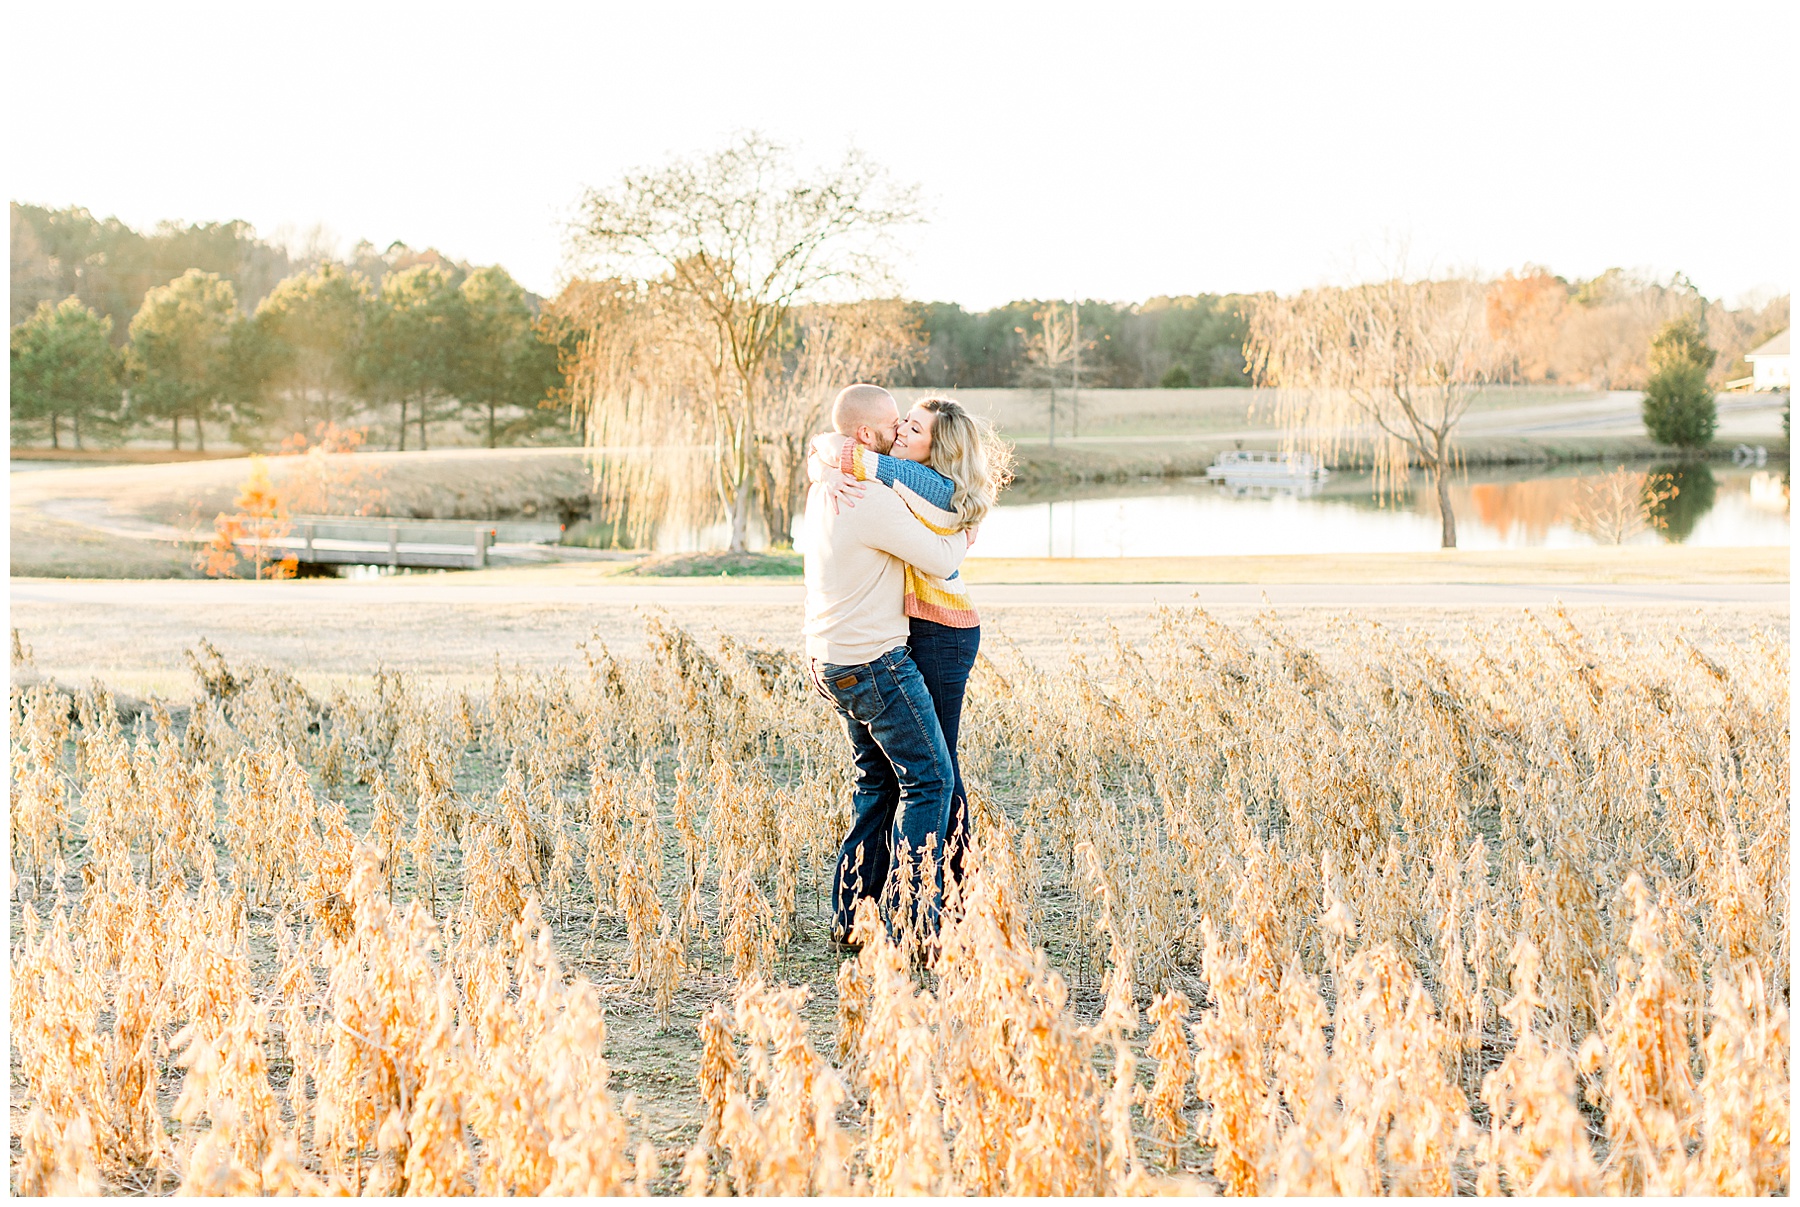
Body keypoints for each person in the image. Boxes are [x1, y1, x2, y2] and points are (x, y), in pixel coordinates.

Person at [809, 394, 1007, 894]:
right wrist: (827, 460)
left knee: (889, 781)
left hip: (868, 649)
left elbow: (946, 522)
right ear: (868, 438)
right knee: (931, 780)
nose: (899, 432)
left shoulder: (900, 488)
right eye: (897, 425)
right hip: (875, 660)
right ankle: (917, 918)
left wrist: (828, 461)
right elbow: (942, 557)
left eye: (911, 428)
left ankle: (866, 916)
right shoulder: (872, 493)